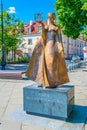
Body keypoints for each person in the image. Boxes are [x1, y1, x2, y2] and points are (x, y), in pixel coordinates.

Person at [26, 12, 69, 88]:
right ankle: (44, 81)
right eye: (48, 17)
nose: (49, 19)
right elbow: (43, 35)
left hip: (53, 46)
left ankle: (53, 82)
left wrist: (60, 47)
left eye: (51, 17)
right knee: (45, 62)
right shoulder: (46, 27)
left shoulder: (56, 27)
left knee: (52, 63)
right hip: (46, 47)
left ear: (54, 18)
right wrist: (42, 24)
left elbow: (59, 39)